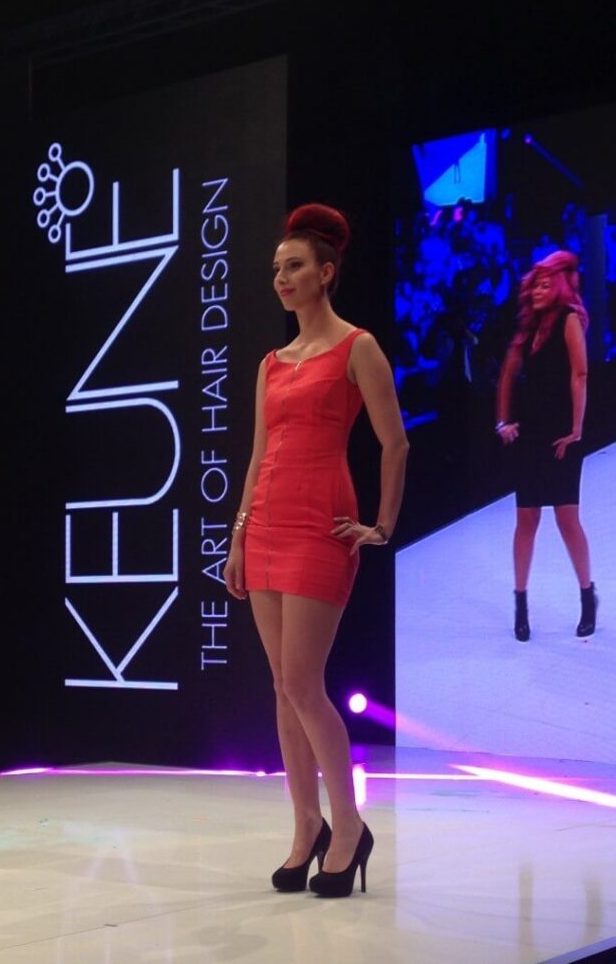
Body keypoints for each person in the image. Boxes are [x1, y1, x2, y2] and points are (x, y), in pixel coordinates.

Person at [223, 204, 408, 897]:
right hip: (266, 525)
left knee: (303, 683)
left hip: (321, 527)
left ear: (326, 273)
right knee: (281, 686)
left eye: (294, 266)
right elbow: (258, 454)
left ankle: (349, 825)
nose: (281, 277)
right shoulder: (270, 364)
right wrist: (239, 534)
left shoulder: (357, 346)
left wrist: (381, 525)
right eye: (277, 267)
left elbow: (395, 442)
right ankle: (306, 827)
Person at [496, 250, 597, 641]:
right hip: (530, 435)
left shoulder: (569, 319)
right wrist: (502, 421)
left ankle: (587, 596)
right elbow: (507, 375)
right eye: (534, 285)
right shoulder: (527, 327)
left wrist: (577, 429)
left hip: (561, 436)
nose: (537, 290)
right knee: (527, 520)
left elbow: (580, 374)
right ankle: (520, 604)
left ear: (557, 285)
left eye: (544, 284)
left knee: (567, 519)